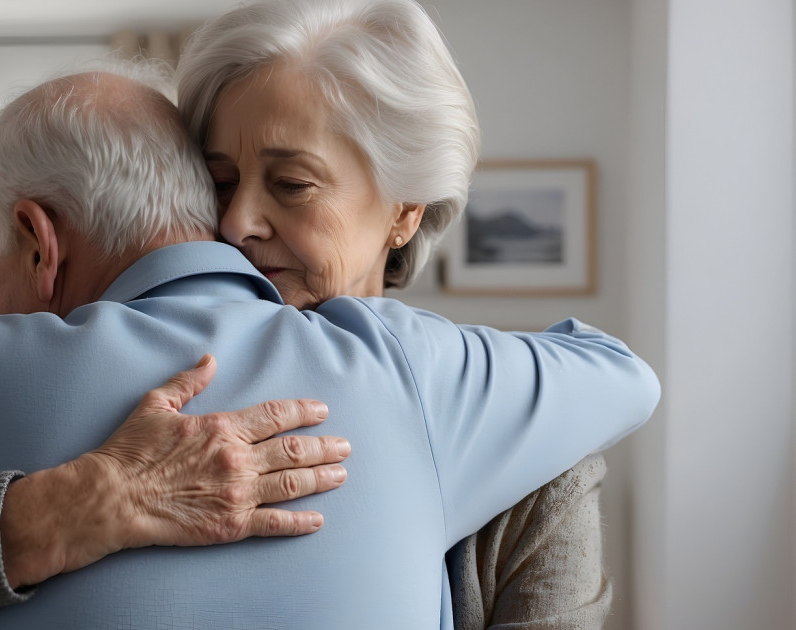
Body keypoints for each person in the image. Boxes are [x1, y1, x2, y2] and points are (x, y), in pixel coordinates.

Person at [0, 59, 658, 630]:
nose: (248, 221)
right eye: (227, 182)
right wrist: (59, 511)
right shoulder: (419, 371)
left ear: (40, 243)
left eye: (292, 184)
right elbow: (624, 373)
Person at [173, 0, 616, 626]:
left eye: (292, 184)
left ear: (405, 210)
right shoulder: (150, 402)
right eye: (220, 182)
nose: (235, 221)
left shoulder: (532, 457)